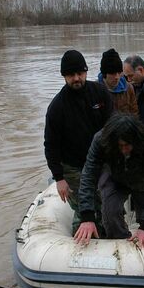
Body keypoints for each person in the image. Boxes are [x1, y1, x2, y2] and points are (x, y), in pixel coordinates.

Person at [73, 113, 144, 253]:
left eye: (127, 145)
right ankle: (120, 244)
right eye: (120, 146)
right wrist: (87, 216)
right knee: (109, 212)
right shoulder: (100, 140)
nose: (124, 149)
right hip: (115, 176)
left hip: (142, 178)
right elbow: (88, 175)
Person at [44, 49, 113, 235]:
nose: (76, 78)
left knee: (106, 202)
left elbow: (113, 126)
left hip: (101, 160)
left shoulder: (100, 93)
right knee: (85, 207)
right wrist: (59, 178)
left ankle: (107, 235)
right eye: (70, 74)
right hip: (73, 166)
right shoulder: (57, 107)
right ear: (64, 76)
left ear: (86, 72)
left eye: (80, 73)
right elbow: (50, 145)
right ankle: (79, 242)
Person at [97, 48, 138, 115]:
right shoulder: (95, 91)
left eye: (119, 73)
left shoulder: (129, 88)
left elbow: (134, 113)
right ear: (104, 74)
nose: (117, 77)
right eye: (112, 73)